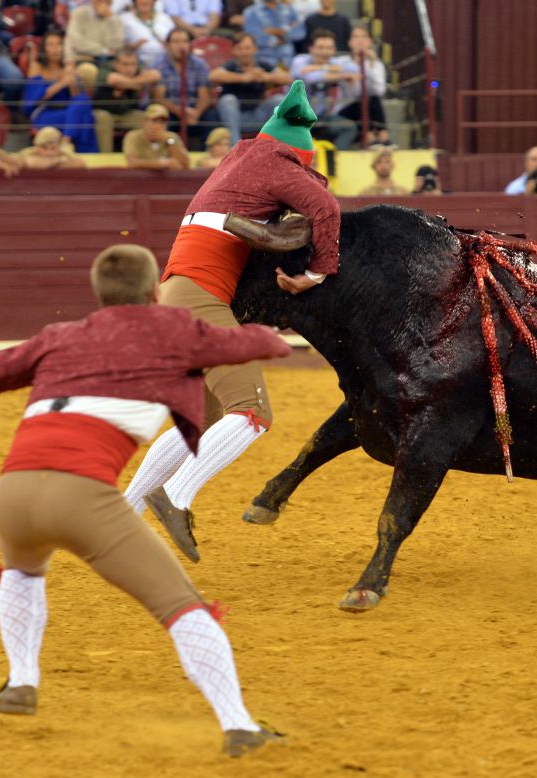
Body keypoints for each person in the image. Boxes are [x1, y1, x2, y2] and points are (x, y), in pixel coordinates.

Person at [0, 244, 290, 757]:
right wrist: (269, 335)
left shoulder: (59, 336)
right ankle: (238, 725)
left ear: (98, 293)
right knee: (181, 607)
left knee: (23, 572)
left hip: (14, 490)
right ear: (155, 292)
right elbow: (251, 344)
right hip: (83, 496)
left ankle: (21, 682)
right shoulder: (175, 331)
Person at [122, 80, 341, 561]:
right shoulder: (276, 164)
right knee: (252, 414)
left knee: (198, 422)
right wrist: (317, 272)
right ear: (297, 154)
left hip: (173, 293)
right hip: (200, 296)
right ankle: (176, 496)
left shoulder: (239, 159)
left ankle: (123, 516)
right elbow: (324, 206)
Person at [22, 30, 99, 153]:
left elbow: (75, 97)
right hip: (45, 112)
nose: (55, 49)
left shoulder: (66, 68)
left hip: (67, 112)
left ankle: (66, 140)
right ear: (44, 48)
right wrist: (61, 83)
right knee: (85, 120)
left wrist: (72, 80)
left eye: (59, 44)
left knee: (83, 100)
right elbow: (32, 102)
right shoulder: (37, 67)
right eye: (51, 45)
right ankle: (86, 154)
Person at [210, 31, 291, 145]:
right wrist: (244, 77)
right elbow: (213, 75)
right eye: (240, 48)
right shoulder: (230, 65)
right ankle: (235, 147)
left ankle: (278, 145)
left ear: (255, 49)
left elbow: (288, 78)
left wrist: (265, 76)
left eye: (247, 48)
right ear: (233, 50)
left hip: (258, 115)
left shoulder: (263, 65)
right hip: (233, 118)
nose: (244, 52)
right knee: (228, 100)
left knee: (279, 99)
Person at [288, 29, 359, 149]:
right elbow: (308, 78)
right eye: (320, 48)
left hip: (322, 117)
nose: (325, 52)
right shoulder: (300, 59)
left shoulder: (336, 62)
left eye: (329, 48)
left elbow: (354, 70)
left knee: (349, 127)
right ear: (311, 48)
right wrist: (330, 69)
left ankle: (334, 162)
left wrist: (318, 68)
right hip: (298, 117)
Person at [152, 27, 219, 145]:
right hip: (171, 111)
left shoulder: (199, 64)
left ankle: (209, 156)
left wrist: (196, 113)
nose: (181, 46)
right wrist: (181, 112)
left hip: (194, 111)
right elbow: (159, 98)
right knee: (161, 117)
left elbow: (204, 95)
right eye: (176, 42)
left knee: (211, 117)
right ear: (168, 45)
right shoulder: (158, 65)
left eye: (184, 41)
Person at [92, 47, 162, 153]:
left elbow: (155, 75)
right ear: (115, 64)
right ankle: (105, 158)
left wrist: (127, 83)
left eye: (133, 64)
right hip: (104, 111)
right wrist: (137, 84)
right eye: (125, 64)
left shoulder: (139, 70)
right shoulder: (106, 68)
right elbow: (113, 79)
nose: (129, 68)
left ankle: (146, 157)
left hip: (126, 112)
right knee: (103, 118)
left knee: (146, 119)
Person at [333, 24, 391, 147]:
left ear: (370, 42)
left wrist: (370, 66)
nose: (360, 40)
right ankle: (371, 137)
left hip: (368, 108)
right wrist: (358, 66)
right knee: (363, 100)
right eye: (356, 37)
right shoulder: (342, 62)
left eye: (364, 37)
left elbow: (379, 90)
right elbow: (355, 93)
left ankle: (382, 136)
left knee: (374, 99)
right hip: (346, 109)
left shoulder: (376, 64)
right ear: (350, 42)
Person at [123, 102, 190, 169]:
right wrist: (163, 163)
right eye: (154, 121)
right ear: (145, 122)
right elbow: (132, 163)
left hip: (165, 179)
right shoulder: (133, 136)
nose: (158, 125)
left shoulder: (171, 137)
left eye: (162, 122)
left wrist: (170, 141)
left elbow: (185, 164)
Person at [242, 0, 304, 69]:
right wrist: (278, 38)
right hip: (264, 60)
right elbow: (254, 37)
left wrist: (277, 32)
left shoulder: (288, 9)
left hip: (289, 59)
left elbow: (300, 32)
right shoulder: (251, 11)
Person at [65, 0, 124, 70]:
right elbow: (76, 41)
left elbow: (115, 46)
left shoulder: (115, 20)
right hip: (81, 59)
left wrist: (110, 19)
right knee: (88, 70)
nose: (103, 4)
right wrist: (104, 51)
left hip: (107, 62)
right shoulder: (79, 13)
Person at [120, 0, 175, 68]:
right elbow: (117, 46)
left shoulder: (165, 18)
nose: (144, 1)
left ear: (154, 1)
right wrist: (132, 47)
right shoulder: (124, 19)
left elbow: (175, 38)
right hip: (138, 63)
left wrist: (169, 44)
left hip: (166, 61)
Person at [19, 125, 87, 169]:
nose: (49, 153)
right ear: (36, 146)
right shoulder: (27, 153)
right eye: (44, 147)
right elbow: (27, 162)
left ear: (59, 147)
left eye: (53, 148)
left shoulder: (65, 153)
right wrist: (58, 160)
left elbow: (81, 163)